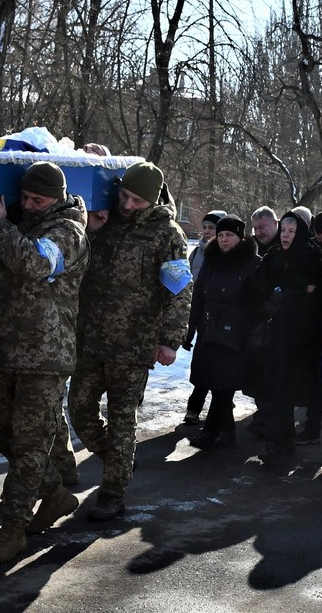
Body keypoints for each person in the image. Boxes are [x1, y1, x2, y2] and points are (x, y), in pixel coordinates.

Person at [0, 162, 88, 563]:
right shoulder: (14, 223)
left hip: (46, 357)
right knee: (4, 434)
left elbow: (34, 264)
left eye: (39, 199)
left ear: (58, 197)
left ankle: (13, 529)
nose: (30, 205)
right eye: (26, 198)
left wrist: (0, 225)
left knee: (31, 446)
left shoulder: (68, 231)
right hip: (5, 351)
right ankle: (53, 495)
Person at [69, 161, 191, 520]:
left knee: (123, 420)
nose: (127, 205)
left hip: (133, 345)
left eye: (137, 200)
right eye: (125, 195)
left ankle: (112, 493)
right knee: (79, 409)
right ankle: (118, 462)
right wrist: (90, 231)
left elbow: (181, 291)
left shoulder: (167, 235)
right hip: (91, 339)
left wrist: (170, 340)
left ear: (152, 201)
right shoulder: (105, 223)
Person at [253, 210, 322, 464]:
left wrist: (292, 294)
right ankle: (279, 442)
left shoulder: (311, 257)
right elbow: (257, 287)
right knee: (276, 389)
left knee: (290, 389)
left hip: (302, 338)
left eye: (292, 231)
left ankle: (282, 442)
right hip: (276, 333)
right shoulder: (274, 255)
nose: (287, 236)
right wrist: (270, 302)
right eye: (284, 231)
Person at [183, 215, 261, 450]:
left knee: (223, 385)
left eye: (230, 235)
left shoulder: (254, 263)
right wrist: (189, 331)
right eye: (221, 235)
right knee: (211, 380)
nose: (224, 239)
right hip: (209, 331)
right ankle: (227, 432)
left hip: (237, 334)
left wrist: (251, 333)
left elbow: (258, 302)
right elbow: (198, 297)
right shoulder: (211, 259)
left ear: (241, 237)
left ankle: (210, 431)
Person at [183, 209, 228, 425]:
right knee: (201, 363)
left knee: (216, 364)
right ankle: (195, 407)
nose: (207, 232)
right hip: (198, 312)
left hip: (219, 318)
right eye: (205, 227)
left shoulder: (226, 255)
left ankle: (217, 407)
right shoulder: (196, 252)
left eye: (213, 228)